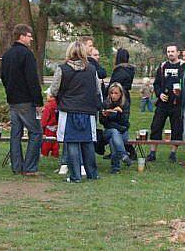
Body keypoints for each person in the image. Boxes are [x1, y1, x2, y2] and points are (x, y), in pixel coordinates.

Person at [52, 41, 102, 183]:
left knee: (72, 142)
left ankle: (75, 176)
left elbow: (54, 89)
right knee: (87, 142)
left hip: (68, 109)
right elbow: (97, 90)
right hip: (88, 110)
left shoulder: (62, 69)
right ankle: (92, 173)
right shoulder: (92, 69)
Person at [1, 24, 44, 175]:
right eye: (29, 35)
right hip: (26, 100)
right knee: (36, 132)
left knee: (15, 134)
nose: (31, 38)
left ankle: (16, 166)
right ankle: (30, 167)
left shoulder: (7, 55)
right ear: (22, 36)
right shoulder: (27, 55)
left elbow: (3, 77)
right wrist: (38, 101)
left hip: (13, 100)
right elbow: (32, 80)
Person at [147, 44, 185, 163]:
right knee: (156, 126)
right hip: (163, 102)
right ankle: (152, 153)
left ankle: (173, 153)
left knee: (177, 128)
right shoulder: (163, 66)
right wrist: (159, 94)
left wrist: (180, 93)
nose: (170, 54)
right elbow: (156, 84)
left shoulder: (183, 66)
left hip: (177, 103)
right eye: (168, 51)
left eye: (173, 51)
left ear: (178, 52)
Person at [100, 82, 132, 174]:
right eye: (111, 93)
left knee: (113, 139)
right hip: (109, 131)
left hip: (122, 132)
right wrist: (106, 115)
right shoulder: (105, 104)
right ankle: (124, 154)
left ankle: (115, 167)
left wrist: (120, 113)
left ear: (121, 94)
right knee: (114, 132)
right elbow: (103, 123)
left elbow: (125, 122)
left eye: (116, 93)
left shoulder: (125, 104)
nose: (113, 95)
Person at [40, 89, 60, 159]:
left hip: (49, 126)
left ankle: (44, 153)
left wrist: (42, 125)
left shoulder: (48, 105)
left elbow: (45, 117)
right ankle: (55, 154)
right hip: (57, 126)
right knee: (56, 141)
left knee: (47, 141)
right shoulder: (59, 104)